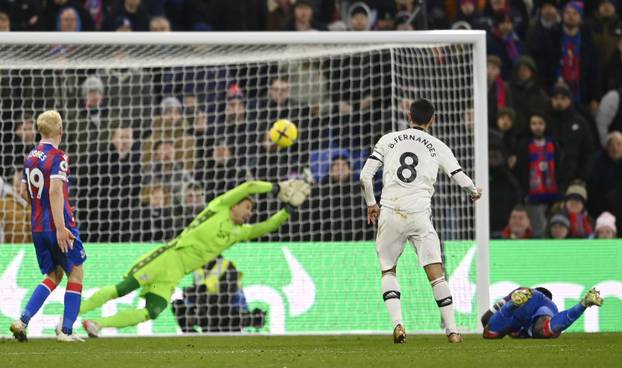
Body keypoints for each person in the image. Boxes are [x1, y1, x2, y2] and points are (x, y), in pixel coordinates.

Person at [79, 180, 311, 337]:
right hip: (167, 257)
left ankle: (98, 324)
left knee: (153, 310)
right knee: (122, 289)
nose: (249, 213)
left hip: (177, 273)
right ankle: (72, 315)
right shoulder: (218, 207)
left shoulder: (238, 233)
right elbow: (249, 186)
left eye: (251, 211)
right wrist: (277, 187)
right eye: (247, 207)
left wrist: (289, 209)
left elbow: (267, 226)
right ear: (235, 205)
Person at [359, 99, 482, 344]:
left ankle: (398, 324)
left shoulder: (388, 139)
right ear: (432, 120)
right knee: (436, 275)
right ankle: (453, 331)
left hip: (391, 211)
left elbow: (364, 176)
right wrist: (473, 191)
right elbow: (458, 176)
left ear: (408, 115)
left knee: (388, 270)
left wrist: (371, 204)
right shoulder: (438, 145)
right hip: (419, 215)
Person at [9, 110, 86, 342]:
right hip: (57, 225)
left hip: (38, 227)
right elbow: (54, 190)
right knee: (76, 271)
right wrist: (62, 227)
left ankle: (22, 321)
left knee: (55, 274)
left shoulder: (30, 157)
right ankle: (66, 331)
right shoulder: (58, 157)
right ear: (60, 130)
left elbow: (24, 192)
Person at [482, 286, 603, 339]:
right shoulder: (550, 305)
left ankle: (512, 305)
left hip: (525, 294)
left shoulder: (523, 291)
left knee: (490, 333)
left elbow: (485, 318)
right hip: (546, 308)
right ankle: (583, 304)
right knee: (546, 329)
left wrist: (503, 329)